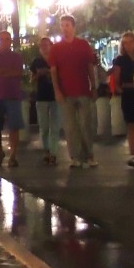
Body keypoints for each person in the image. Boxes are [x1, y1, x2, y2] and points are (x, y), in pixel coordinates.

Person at [48, 14, 99, 169]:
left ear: (73, 27)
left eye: (67, 25)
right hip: (66, 93)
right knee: (70, 127)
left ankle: (89, 154)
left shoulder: (83, 45)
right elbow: (54, 71)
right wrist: (57, 90)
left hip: (83, 89)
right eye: (62, 25)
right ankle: (76, 156)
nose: (65, 28)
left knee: (86, 124)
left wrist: (94, 86)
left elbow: (89, 66)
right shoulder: (56, 48)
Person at [0, 30, 25, 167]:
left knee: (14, 126)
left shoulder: (17, 57)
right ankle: (0, 151)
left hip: (13, 95)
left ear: (11, 41)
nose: (4, 41)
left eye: (7, 39)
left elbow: (18, 72)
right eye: (2, 39)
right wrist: (8, 71)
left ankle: (13, 155)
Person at [111, 31, 134, 167]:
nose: (128, 45)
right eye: (125, 43)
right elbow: (116, 79)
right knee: (131, 123)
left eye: (131, 42)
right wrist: (120, 90)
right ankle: (133, 153)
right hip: (128, 91)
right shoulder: (120, 60)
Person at [31, 37, 61, 166]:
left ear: (51, 46)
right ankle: (46, 151)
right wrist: (39, 74)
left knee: (55, 126)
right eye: (42, 45)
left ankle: (53, 153)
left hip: (55, 97)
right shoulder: (36, 62)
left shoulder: (56, 60)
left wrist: (49, 71)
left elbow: (61, 75)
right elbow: (32, 80)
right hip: (41, 97)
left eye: (46, 44)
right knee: (43, 126)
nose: (44, 47)